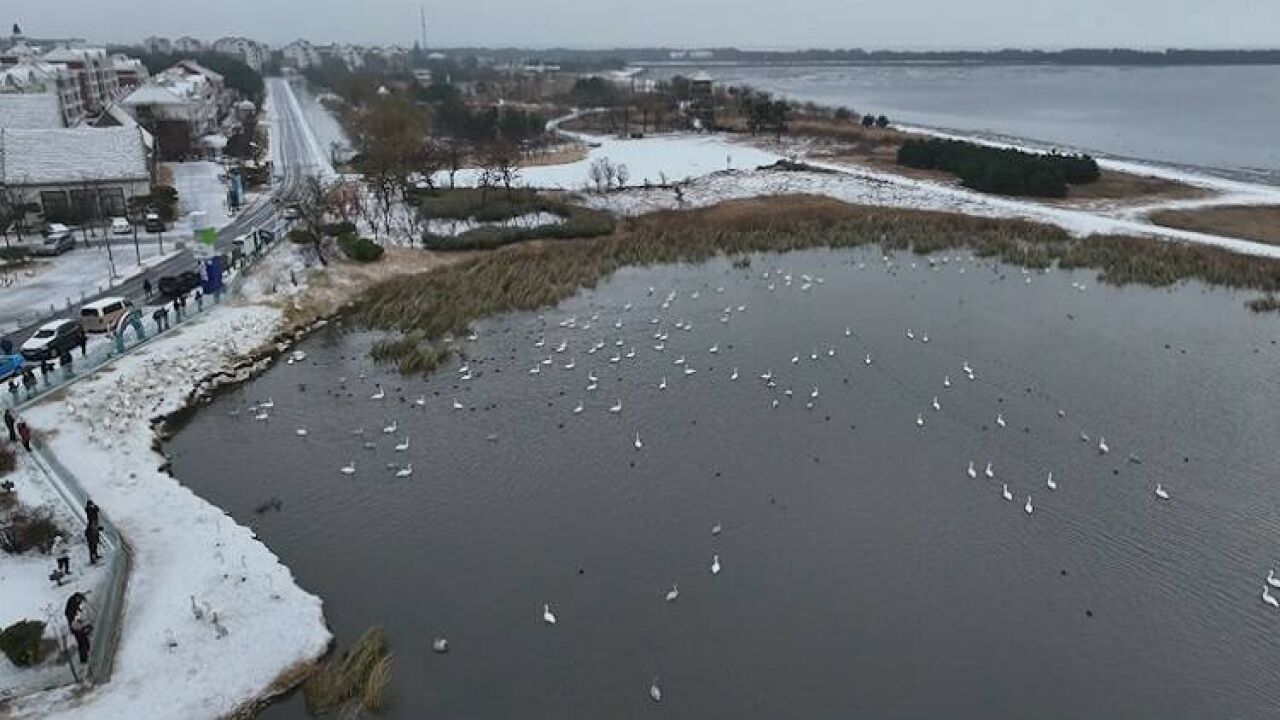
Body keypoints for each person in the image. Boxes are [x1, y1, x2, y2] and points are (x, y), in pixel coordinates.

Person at [65, 592, 93, 665]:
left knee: (84, 642)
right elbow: (71, 614)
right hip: (75, 626)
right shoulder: (72, 604)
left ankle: (85, 656)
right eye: (80, 601)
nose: (80, 602)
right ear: (78, 599)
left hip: (75, 626)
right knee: (82, 642)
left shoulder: (73, 602)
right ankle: (84, 659)